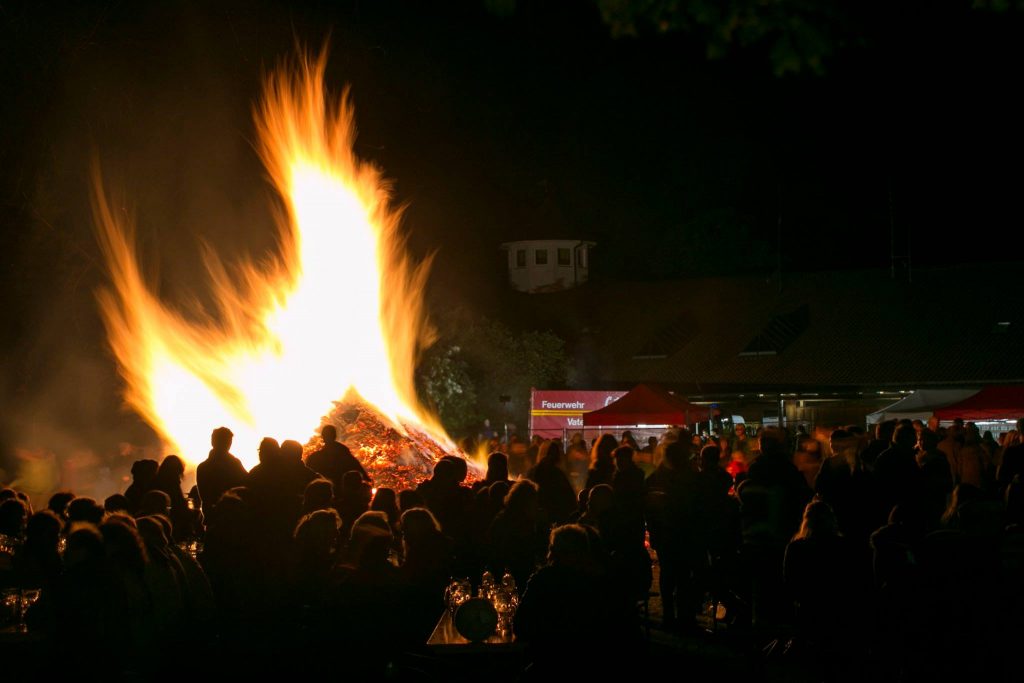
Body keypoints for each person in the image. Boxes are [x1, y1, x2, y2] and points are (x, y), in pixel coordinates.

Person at [196, 426, 248, 519]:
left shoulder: (202, 467)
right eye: (227, 441)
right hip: (232, 515)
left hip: (212, 517)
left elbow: (205, 497)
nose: (229, 444)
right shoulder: (234, 464)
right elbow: (247, 483)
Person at [304, 425, 370, 492]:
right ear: (335, 436)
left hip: (327, 490)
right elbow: (355, 464)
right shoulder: (342, 451)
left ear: (323, 436)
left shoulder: (315, 457)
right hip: (339, 489)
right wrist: (366, 478)